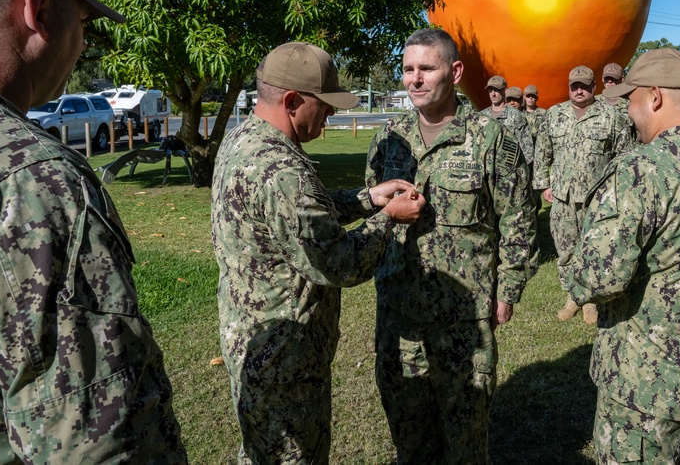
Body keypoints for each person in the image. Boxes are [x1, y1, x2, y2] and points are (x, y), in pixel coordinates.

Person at [0, 0, 187, 461]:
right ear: (38, 10)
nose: (84, 45)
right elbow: (96, 439)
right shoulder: (30, 180)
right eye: (83, 24)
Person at [212, 42, 424, 463]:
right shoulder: (281, 172)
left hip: (254, 341)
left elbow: (303, 217)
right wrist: (389, 219)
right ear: (291, 101)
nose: (332, 114)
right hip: (286, 363)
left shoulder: (246, 141)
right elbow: (341, 262)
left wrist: (367, 198)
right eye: (324, 105)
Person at [566, 48, 680, 465]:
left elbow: (598, 278)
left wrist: (574, 274)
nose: (628, 112)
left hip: (645, 384)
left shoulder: (640, 169)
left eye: (631, 101)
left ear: (654, 98)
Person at [366, 28, 537, 464]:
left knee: (464, 442)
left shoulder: (490, 138)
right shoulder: (390, 138)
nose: (415, 80)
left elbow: (518, 218)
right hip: (399, 317)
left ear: (455, 71)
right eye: (408, 69)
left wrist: (508, 290)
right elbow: (374, 205)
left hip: (463, 320)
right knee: (410, 439)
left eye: (427, 68)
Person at [534, 65, 633, 324]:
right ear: (568, 88)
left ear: (593, 88)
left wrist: (616, 191)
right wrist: (544, 184)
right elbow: (542, 152)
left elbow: (623, 156)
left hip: (597, 199)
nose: (579, 90)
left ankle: (591, 300)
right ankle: (572, 296)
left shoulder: (611, 117)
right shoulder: (555, 114)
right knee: (566, 250)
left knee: (595, 249)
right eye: (574, 86)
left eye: (584, 86)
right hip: (563, 197)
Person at [480, 74, 535, 165]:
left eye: (496, 90)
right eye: (490, 90)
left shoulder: (517, 116)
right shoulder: (481, 116)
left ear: (505, 91)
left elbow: (527, 151)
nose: (493, 94)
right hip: (485, 169)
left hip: (509, 172)